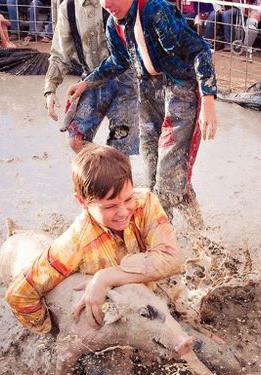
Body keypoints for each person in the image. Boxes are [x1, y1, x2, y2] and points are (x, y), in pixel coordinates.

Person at [67, 0, 217, 230]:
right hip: (149, 93)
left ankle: (158, 243)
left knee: (167, 179)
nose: (107, 4)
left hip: (180, 92)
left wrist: (207, 99)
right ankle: (204, 239)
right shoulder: (112, 24)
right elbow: (118, 61)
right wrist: (86, 84)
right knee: (155, 173)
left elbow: (200, 49)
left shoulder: (155, 10)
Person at [5, 144, 184, 331]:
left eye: (128, 198)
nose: (123, 212)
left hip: (145, 301)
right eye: (109, 206)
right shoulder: (74, 242)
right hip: (110, 317)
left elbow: (172, 259)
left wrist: (105, 278)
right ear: (82, 202)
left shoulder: (145, 202)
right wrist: (53, 330)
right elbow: (19, 295)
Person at [44, 0, 139, 155]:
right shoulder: (68, 7)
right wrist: (50, 89)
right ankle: (102, 170)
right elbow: (59, 54)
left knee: (120, 148)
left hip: (125, 80)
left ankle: (117, 170)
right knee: (76, 141)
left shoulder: (117, 3)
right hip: (90, 79)